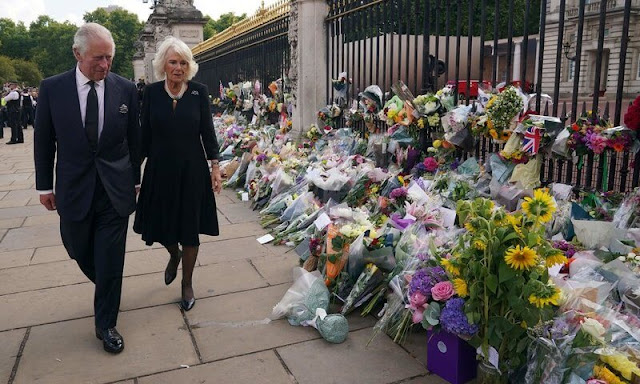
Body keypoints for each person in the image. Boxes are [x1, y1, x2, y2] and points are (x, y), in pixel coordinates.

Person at [34, 23, 141, 354]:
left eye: (109, 57)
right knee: (77, 247)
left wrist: (135, 179)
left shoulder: (124, 88)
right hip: (73, 187)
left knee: (110, 259)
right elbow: (43, 140)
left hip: (115, 188)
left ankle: (106, 323)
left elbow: (134, 141)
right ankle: (107, 285)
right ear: (77, 53)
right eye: (98, 58)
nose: (105, 66)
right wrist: (43, 186)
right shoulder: (53, 89)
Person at [133, 36, 221, 311]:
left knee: (190, 228)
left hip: (192, 170)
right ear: (163, 65)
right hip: (159, 170)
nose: (179, 67)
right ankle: (174, 254)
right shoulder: (151, 93)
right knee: (163, 225)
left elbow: (207, 131)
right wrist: (134, 174)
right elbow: (143, 135)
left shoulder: (198, 92)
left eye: (184, 62)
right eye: (173, 62)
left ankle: (187, 283)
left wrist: (215, 166)